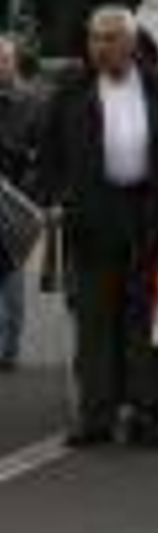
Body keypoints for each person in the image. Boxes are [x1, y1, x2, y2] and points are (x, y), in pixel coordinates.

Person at [40, 7, 158, 447]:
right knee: (94, 321)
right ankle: (96, 416)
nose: (100, 47)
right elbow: (50, 153)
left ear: (131, 42)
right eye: (94, 39)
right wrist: (54, 198)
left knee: (145, 320)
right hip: (91, 217)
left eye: (109, 38)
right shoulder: (71, 90)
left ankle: (148, 414)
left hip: (148, 214)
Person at [0, 36, 41, 371]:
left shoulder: (32, 101)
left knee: (11, 270)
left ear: (13, 62)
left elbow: (40, 154)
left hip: (15, 199)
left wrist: (30, 193)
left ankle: (8, 348)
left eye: (3, 60)